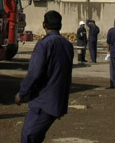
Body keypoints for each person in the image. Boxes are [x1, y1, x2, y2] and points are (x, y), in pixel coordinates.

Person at [16, 10, 73, 143]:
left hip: (42, 101)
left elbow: (34, 73)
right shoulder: (67, 45)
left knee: (28, 136)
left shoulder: (44, 44)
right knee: (37, 136)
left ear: (44, 24)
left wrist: (22, 93)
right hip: (57, 99)